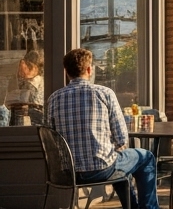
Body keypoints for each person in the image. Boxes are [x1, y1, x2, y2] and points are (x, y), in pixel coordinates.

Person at [47, 49, 159, 209]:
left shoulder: (53, 99)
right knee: (146, 157)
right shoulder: (104, 93)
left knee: (119, 164)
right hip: (101, 169)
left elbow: (52, 140)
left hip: (66, 174)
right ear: (89, 69)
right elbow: (121, 138)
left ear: (67, 72)